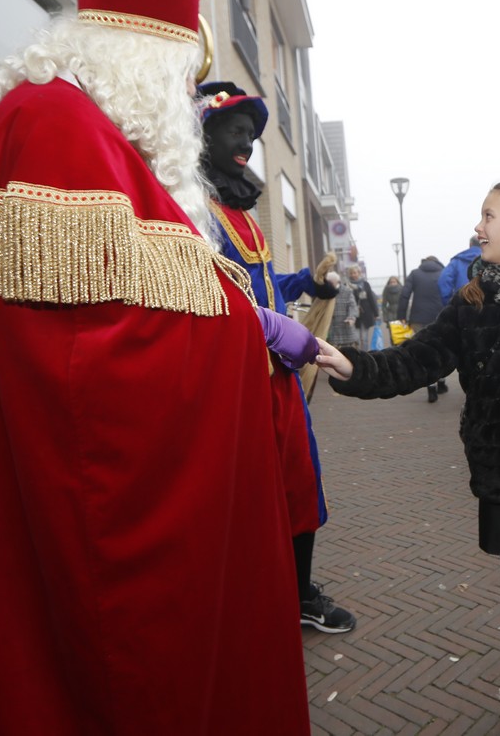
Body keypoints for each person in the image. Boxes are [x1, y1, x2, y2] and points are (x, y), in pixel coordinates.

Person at [0, 0, 313, 733]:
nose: (184, 106)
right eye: (180, 78)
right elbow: (87, 352)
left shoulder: (89, 130)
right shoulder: (55, 124)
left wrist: (246, 319)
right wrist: (248, 329)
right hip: (83, 523)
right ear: (143, 63)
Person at [316, 182, 500, 736]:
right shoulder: (470, 303)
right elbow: (416, 359)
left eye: (489, 216)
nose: (478, 227)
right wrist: (354, 368)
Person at [197, 80, 357, 635]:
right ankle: (263, 595)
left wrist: (309, 282)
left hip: (278, 377)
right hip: (236, 380)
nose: (247, 144)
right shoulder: (195, 213)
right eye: (236, 132)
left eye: (252, 135)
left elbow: (264, 284)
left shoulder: (241, 213)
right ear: (203, 136)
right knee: (247, 494)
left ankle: (298, 593)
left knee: (299, 482)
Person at [397, 254, 447, 401]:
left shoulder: (415, 273)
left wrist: (401, 315)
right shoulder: (444, 272)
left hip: (418, 319)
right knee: (442, 350)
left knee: (425, 352)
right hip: (441, 317)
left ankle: (431, 388)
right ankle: (442, 382)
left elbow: (404, 294)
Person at [439, 236, 482, 304]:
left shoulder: (457, 261)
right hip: (485, 304)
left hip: (462, 302)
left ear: (470, 244)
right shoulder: (491, 260)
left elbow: (444, 279)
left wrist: (448, 302)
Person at [347, 264, 379, 348]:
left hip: (365, 314)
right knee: (356, 338)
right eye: (351, 273)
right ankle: (357, 353)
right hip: (353, 315)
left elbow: (371, 298)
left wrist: (376, 313)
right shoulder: (347, 285)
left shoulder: (365, 284)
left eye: (355, 273)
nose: (353, 275)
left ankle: (364, 354)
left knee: (364, 338)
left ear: (359, 273)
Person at [327, 272, 360, 350]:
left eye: (330, 282)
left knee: (348, 351)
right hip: (332, 327)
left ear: (336, 282)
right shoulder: (325, 292)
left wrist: (351, 317)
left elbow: (352, 306)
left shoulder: (347, 291)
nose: (328, 284)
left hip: (345, 325)